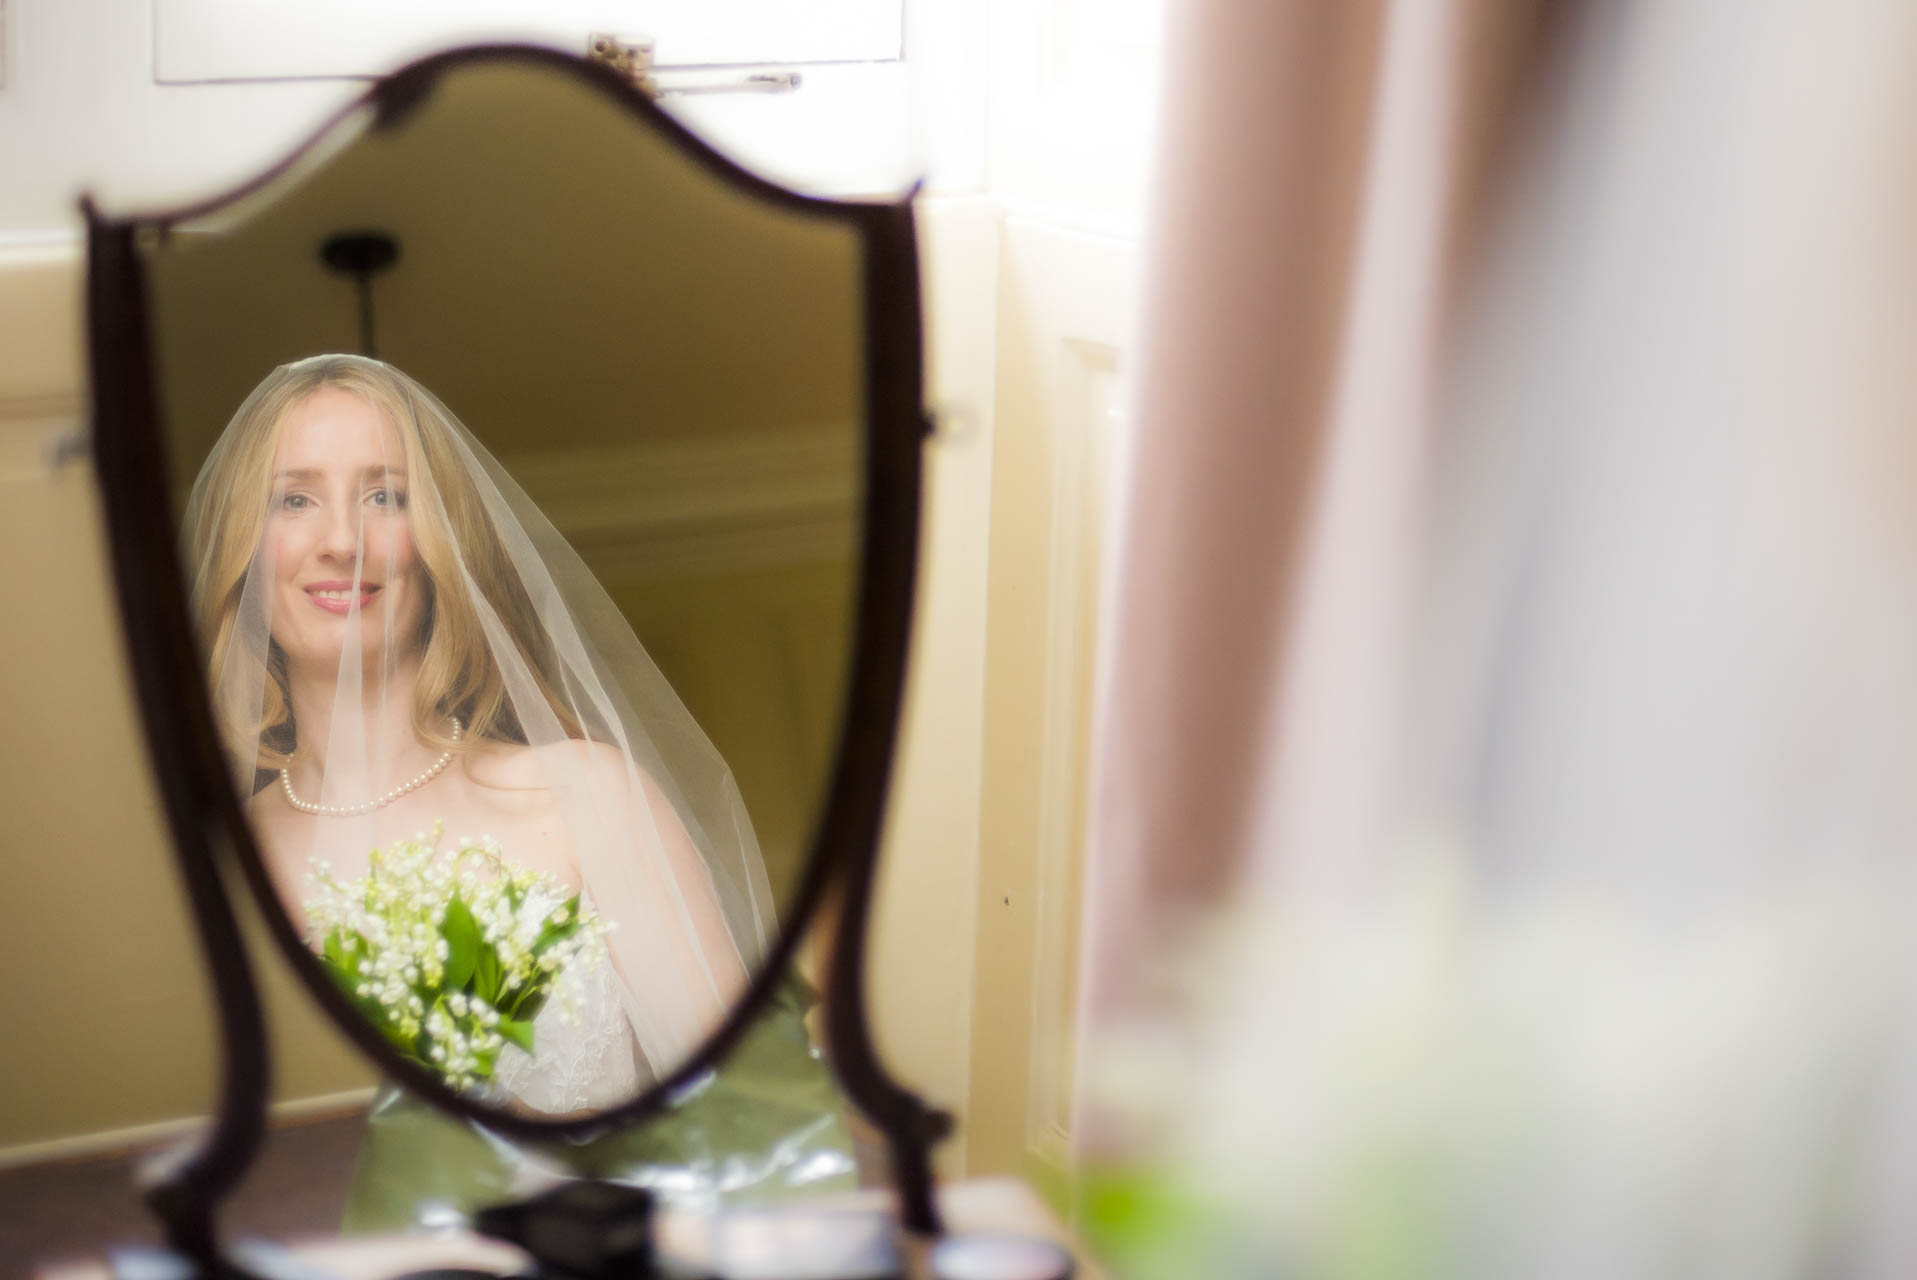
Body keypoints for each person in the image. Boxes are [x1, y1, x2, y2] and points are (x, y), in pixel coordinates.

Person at [183, 354, 852, 1224]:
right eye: (294, 498)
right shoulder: (218, 863)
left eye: (387, 496)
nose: (341, 541)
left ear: (442, 543)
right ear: (243, 544)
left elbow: (753, 1118)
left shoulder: (584, 798)